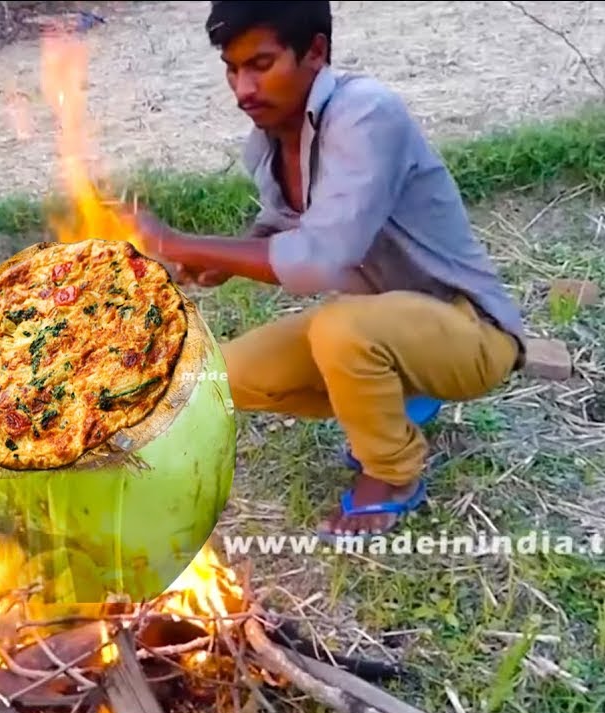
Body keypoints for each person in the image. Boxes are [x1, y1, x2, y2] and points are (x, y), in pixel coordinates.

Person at [126, 0, 527, 539]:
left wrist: (180, 241)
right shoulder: (271, 140)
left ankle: (392, 475)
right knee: (224, 376)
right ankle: (397, 402)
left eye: (260, 64)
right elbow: (281, 227)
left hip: (470, 331)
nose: (243, 88)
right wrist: (218, 261)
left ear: (315, 51)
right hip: (384, 327)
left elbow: (322, 258)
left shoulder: (366, 114)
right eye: (232, 68)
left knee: (340, 330)